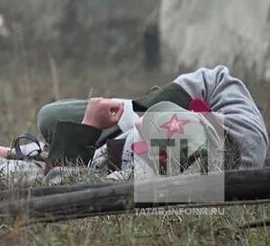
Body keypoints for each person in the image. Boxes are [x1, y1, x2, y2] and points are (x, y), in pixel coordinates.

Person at [39, 65, 268, 172]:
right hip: (134, 123)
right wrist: (145, 107)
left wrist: (89, 127)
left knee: (52, 123)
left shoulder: (145, 181)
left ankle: (27, 153)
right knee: (50, 116)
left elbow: (63, 186)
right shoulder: (246, 136)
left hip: (100, 153)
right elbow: (216, 79)